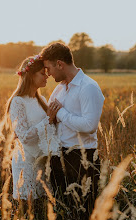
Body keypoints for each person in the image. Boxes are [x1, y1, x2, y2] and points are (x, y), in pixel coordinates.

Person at [40, 42, 105, 219]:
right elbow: (50, 117)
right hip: (59, 156)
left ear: (59, 64)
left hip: (82, 159)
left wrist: (60, 112)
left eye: (49, 68)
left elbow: (89, 125)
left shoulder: (88, 87)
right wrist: (52, 117)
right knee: (62, 211)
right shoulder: (59, 89)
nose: (48, 73)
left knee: (83, 212)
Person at [5, 55, 60, 216]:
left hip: (43, 161)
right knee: (27, 210)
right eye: (43, 73)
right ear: (30, 75)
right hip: (26, 163)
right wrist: (48, 119)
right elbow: (25, 136)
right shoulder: (17, 102)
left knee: (43, 209)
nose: (47, 76)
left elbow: (49, 128)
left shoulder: (41, 99)